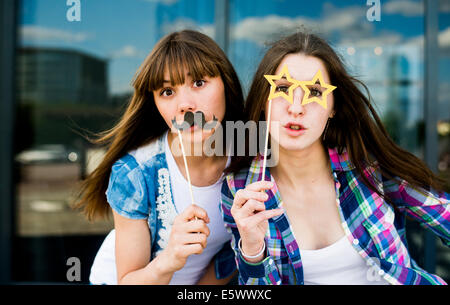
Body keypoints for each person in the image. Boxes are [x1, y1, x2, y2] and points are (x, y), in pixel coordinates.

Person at [220, 31, 450, 285]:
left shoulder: (368, 166)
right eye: (283, 88)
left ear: (334, 107)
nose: (296, 107)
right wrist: (252, 251)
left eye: (315, 93)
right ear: (265, 98)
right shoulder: (241, 189)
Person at [74, 30, 245, 284]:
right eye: (167, 91)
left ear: (226, 84)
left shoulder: (249, 157)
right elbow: (128, 280)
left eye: (199, 82)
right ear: (155, 104)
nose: (185, 104)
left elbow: (229, 258)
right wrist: (170, 258)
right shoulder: (135, 172)